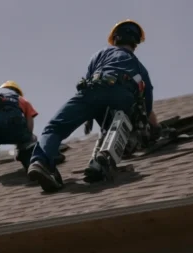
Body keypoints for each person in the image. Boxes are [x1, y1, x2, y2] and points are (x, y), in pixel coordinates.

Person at [27, 20, 160, 193]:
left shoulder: (100, 54)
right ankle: (101, 161)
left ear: (115, 39)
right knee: (115, 125)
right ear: (135, 43)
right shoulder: (139, 67)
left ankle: (41, 162)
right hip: (121, 98)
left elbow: (88, 79)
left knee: (55, 127)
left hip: (92, 91)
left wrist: (88, 114)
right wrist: (154, 128)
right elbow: (147, 101)